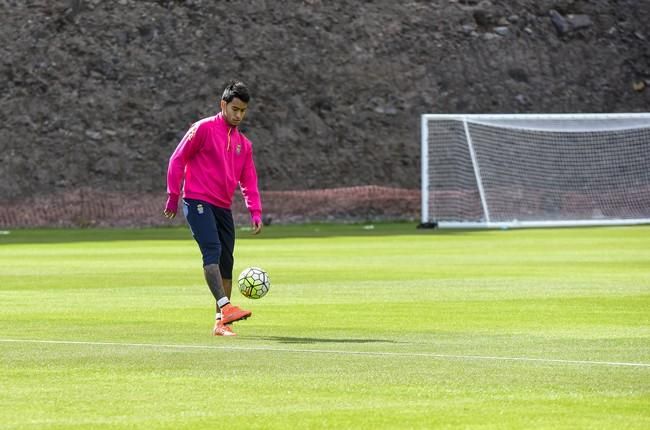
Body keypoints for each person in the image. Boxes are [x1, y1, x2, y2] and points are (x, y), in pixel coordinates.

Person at [164, 80, 263, 337]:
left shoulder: (245, 145)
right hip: (196, 199)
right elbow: (177, 159)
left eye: (243, 111)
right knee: (212, 249)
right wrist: (173, 196)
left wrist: (255, 211)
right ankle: (225, 305)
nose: (238, 115)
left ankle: (222, 323)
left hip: (222, 206)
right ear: (223, 105)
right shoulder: (203, 129)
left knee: (226, 262)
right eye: (235, 109)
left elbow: (248, 180)